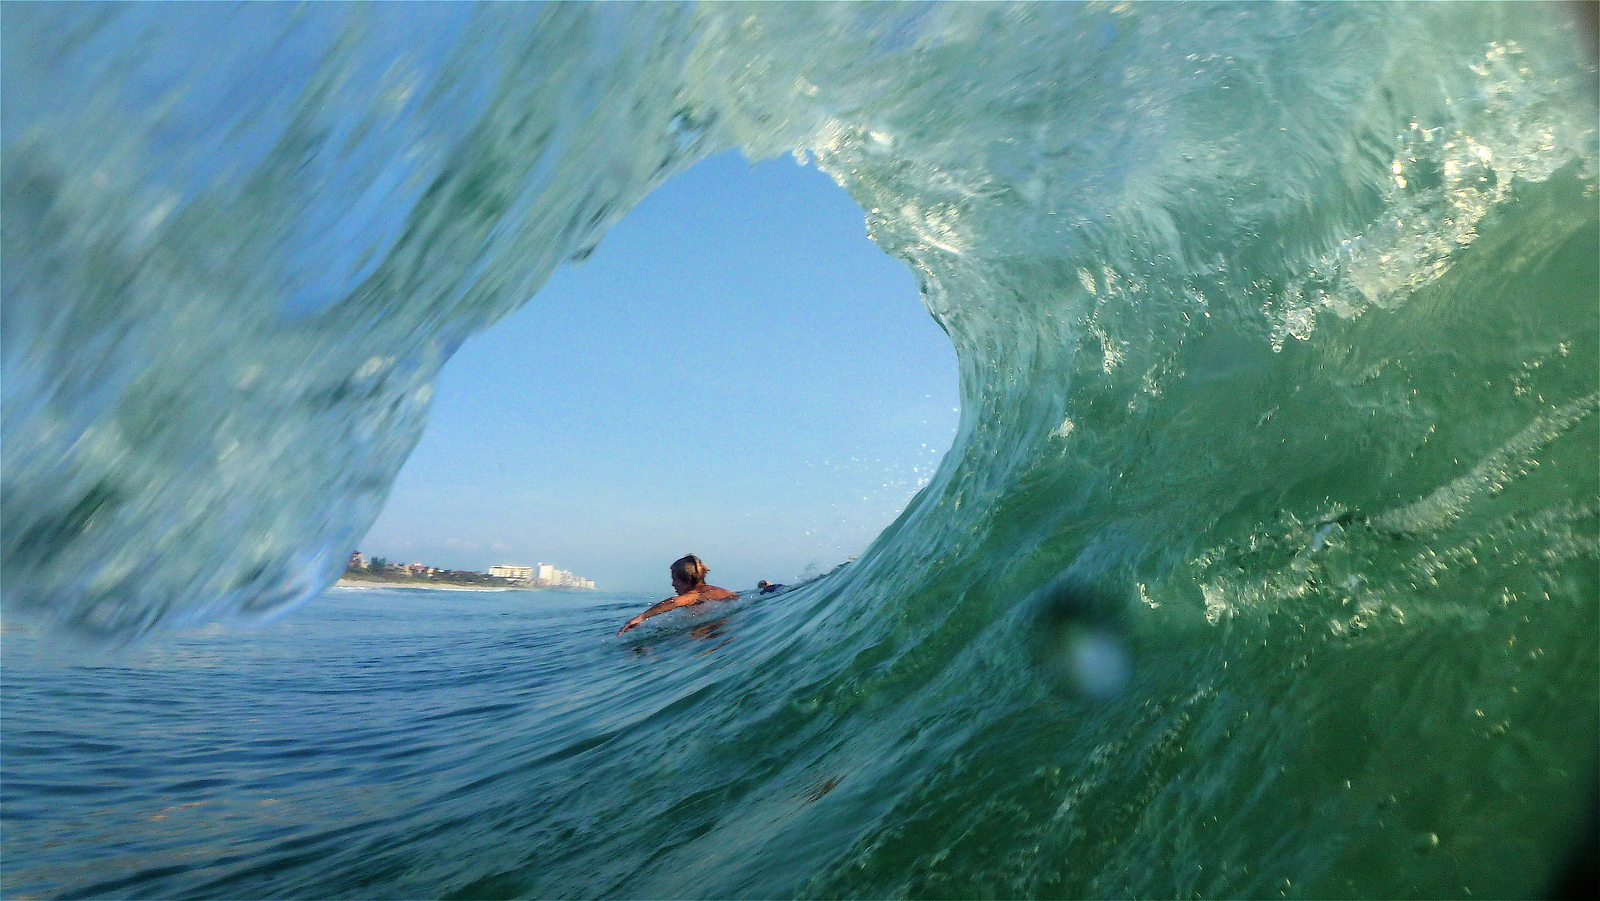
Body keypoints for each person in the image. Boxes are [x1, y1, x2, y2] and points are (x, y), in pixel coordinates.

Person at [617, 555, 739, 635]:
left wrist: (641, 617)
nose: (672, 584)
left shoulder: (696, 594)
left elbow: (675, 602)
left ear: (686, 580)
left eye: (675, 580)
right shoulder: (715, 591)